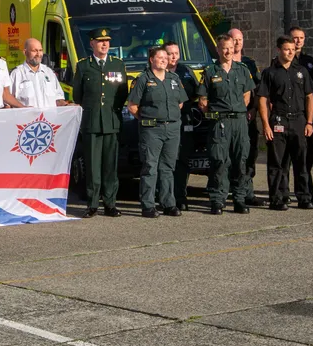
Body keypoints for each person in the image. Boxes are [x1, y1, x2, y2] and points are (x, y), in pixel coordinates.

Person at [70, 28, 128, 218]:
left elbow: (122, 94)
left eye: (107, 41)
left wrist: (113, 112)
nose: (104, 44)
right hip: (92, 122)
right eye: (100, 41)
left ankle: (110, 203)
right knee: (93, 165)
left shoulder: (117, 65)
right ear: (92, 44)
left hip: (111, 121)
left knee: (110, 165)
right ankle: (92, 204)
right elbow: (77, 94)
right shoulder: (84, 66)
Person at [127, 46, 188, 218]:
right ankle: (148, 205)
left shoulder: (174, 78)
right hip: (152, 130)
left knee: (168, 167)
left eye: (165, 57)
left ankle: (168, 203)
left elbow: (180, 103)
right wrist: (148, 119)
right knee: (150, 167)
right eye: (160, 57)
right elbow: (132, 107)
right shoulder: (143, 79)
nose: (164, 60)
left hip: (172, 128)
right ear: (151, 60)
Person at [197, 35, 255, 215]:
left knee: (240, 161)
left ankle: (239, 199)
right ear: (218, 49)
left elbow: (247, 96)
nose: (228, 51)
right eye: (224, 48)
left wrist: (236, 110)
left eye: (230, 47)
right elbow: (203, 101)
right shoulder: (210, 71)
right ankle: (217, 200)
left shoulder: (242, 70)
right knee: (219, 161)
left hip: (238, 121)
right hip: (219, 121)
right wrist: (215, 115)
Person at [257, 36, 313, 211]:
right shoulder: (270, 73)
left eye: (292, 49)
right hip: (279, 121)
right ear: (278, 50)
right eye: (286, 49)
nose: (290, 52)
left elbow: (310, 97)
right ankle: (278, 198)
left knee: (301, 162)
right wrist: (266, 125)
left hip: (299, 120)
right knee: (277, 163)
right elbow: (262, 99)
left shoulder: (302, 71)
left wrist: (310, 122)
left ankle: (304, 197)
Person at [229, 28, 266, 207]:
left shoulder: (250, 64)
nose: (237, 43)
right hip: (229, 118)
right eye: (234, 39)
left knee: (249, 155)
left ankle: (248, 192)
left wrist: (253, 109)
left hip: (248, 117)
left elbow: (257, 90)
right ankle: (233, 191)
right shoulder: (220, 63)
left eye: (240, 39)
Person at [289, 26, 313, 203]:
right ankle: (284, 192)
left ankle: (307, 190)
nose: (298, 41)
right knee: (288, 157)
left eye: (301, 38)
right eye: (295, 38)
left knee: (306, 155)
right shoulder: (279, 61)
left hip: (306, 114)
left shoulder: (309, 61)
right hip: (287, 113)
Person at [166, 42, 200, 211]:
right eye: (170, 53)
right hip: (165, 124)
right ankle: (166, 196)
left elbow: (196, 93)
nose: (174, 57)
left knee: (182, 160)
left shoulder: (185, 71)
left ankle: (180, 196)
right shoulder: (158, 72)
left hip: (184, 121)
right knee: (167, 162)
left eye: (176, 53)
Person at [10, 38, 67, 108]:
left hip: (49, 118)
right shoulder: (16, 74)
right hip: (27, 118)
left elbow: (58, 99)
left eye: (40, 50)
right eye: (34, 51)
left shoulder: (49, 72)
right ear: (25, 52)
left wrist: (68, 105)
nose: (38, 54)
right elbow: (8, 102)